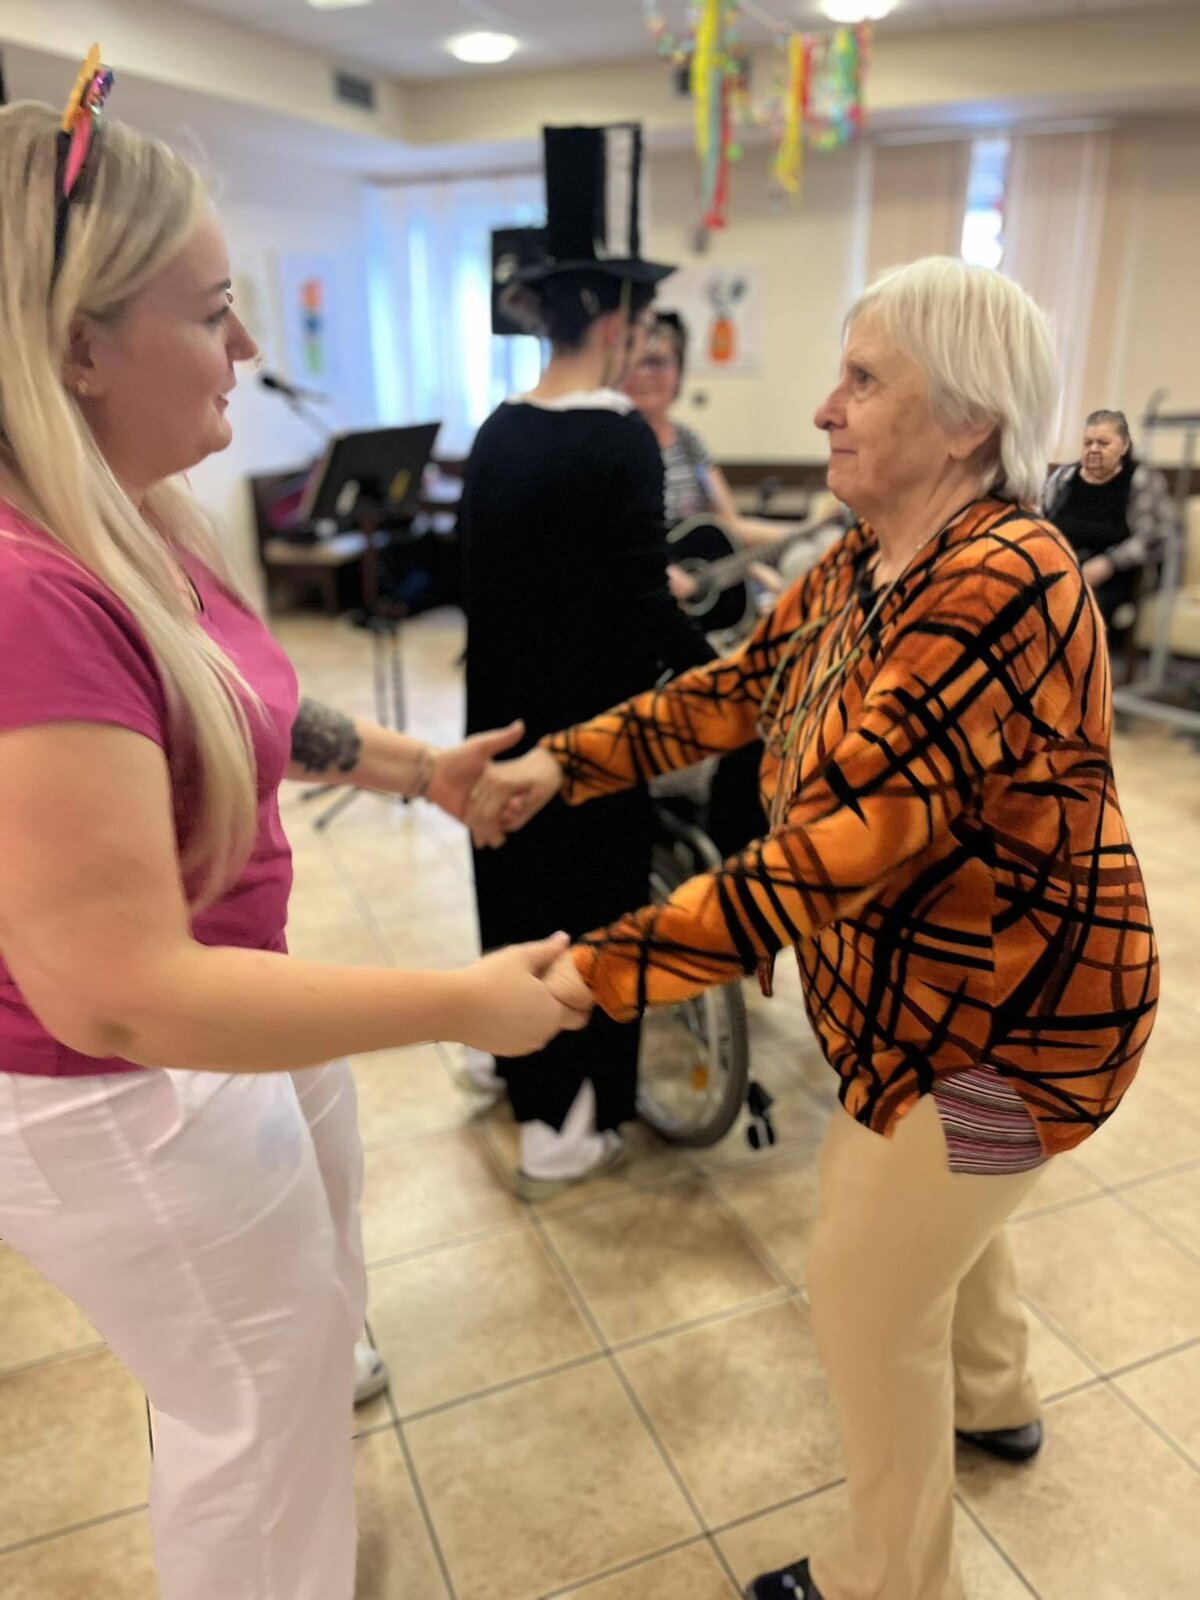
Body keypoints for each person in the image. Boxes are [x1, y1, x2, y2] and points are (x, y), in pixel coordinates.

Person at [468, 257, 1159, 1600]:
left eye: (862, 380)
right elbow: (739, 690)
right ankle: (996, 1388)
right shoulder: (871, 557)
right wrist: (564, 762)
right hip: (942, 1006)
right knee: (936, 1213)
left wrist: (590, 977)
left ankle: (886, 1581)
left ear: (965, 421)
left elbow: (823, 861)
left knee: (865, 1280)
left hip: (1019, 1034)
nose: (825, 408)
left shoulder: (1004, 578)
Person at [0, 80, 584, 1600]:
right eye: (213, 315)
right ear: (76, 347)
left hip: (228, 1012)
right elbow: (120, 994)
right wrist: (459, 1002)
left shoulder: (127, 517)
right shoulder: (24, 596)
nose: (250, 349)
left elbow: (244, 705)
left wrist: (419, 768)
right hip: (122, 1089)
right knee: (251, 1413)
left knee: (314, 1327)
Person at [460, 123, 712, 1198]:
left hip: (498, 726)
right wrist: (729, 676)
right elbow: (647, 605)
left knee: (515, 898)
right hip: (593, 743)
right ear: (617, 322)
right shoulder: (619, 440)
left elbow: (490, 595)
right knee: (594, 922)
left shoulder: (495, 433)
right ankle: (568, 1122)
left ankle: (506, 1057)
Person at [1043, 408, 1177, 640]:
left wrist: (1110, 563)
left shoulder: (1141, 480)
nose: (1094, 449)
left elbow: (1156, 537)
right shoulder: (1064, 477)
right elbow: (1040, 522)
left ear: (1124, 446)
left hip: (1112, 578)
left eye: (1103, 443)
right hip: (1058, 568)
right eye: (1088, 443)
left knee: (1070, 612)